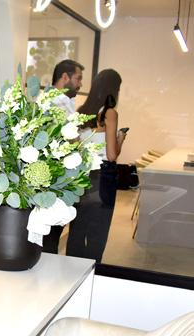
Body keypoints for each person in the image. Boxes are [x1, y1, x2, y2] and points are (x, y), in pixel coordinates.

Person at [66, 68, 127, 263]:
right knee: (97, 232)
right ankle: (92, 272)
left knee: (77, 229)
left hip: (82, 175)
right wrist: (120, 138)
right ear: (113, 89)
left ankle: (71, 271)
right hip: (103, 176)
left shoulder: (82, 112)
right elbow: (111, 155)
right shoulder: (109, 113)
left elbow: (75, 147)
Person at [42, 59, 85, 254]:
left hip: (61, 176)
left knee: (53, 233)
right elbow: (69, 138)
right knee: (50, 234)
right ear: (65, 77)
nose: (80, 84)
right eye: (78, 78)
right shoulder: (54, 102)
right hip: (54, 176)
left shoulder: (65, 101)